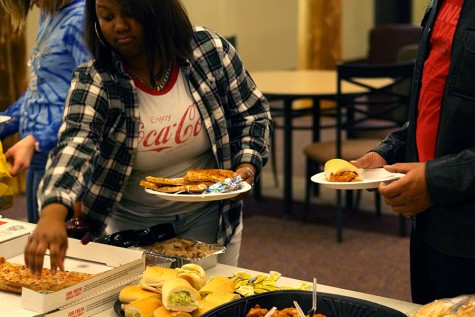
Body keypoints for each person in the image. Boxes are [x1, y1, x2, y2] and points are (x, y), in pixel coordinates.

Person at [23, 0, 272, 274]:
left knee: (211, 302)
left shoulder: (208, 51)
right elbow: (76, 143)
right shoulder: (95, 78)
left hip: (211, 217)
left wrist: (246, 165)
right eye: (106, 16)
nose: (118, 26)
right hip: (132, 227)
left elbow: (252, 114)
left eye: (130, 13)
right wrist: (52, 212)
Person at [352, 0, 475, 304]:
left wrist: (435, 180)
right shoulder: (441, 5)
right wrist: (390, 151)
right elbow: (437, 106)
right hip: (430, 221)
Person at [0, 0, 91, 223]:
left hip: (64, 154)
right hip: (36, 153)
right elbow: (39, 93)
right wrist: (4, 123)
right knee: (35, 238)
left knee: (55, 246)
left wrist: (38, 140)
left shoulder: (81, 19)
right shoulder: (48, 14)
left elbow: (90, 100)